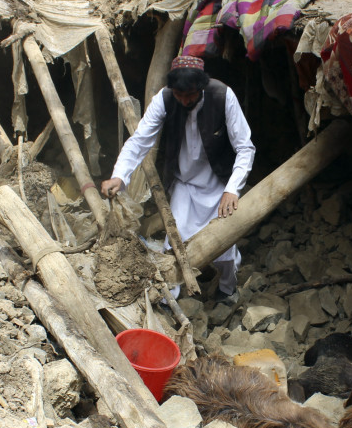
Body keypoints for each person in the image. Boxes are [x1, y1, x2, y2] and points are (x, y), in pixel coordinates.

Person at [101, 55, 255, 303]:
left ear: (201, 87)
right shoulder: (164, 99)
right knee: (174, 244)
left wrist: (233, 189)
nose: (184, 101)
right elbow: (140, 141)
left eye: (190, 95)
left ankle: (227, 291)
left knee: (224, 247)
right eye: (179, 95)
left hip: (219, 184)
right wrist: (119, 175)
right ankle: (168, 301)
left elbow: (245, 148)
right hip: (184, 183)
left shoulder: (222, 96)